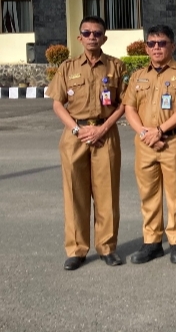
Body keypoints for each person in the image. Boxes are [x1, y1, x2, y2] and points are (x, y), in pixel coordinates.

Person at [48, 16, 125, 271]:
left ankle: (107, 247)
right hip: (75, 135)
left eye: (97, 33)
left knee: (107, 194)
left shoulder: (115, 66)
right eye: (87, 32)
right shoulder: (67, 67)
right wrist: (76, 129)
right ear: (79, 37)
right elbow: (58, 103)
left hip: (105, 133)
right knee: (75, 194)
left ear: (105, 37)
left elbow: (124, 104)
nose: (92, 37)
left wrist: (103, 127)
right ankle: (76, 249)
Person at [124, 25, 176, 265]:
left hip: (173, 141)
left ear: (172, 46)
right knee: (148, 195)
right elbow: (129, 107)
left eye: (162, 43)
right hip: (145, 143)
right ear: (146, 48)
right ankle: (152, 242)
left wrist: (160, 130)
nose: (156, 48)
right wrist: (144, 132)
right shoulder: (138, 76)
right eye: (152, 44)